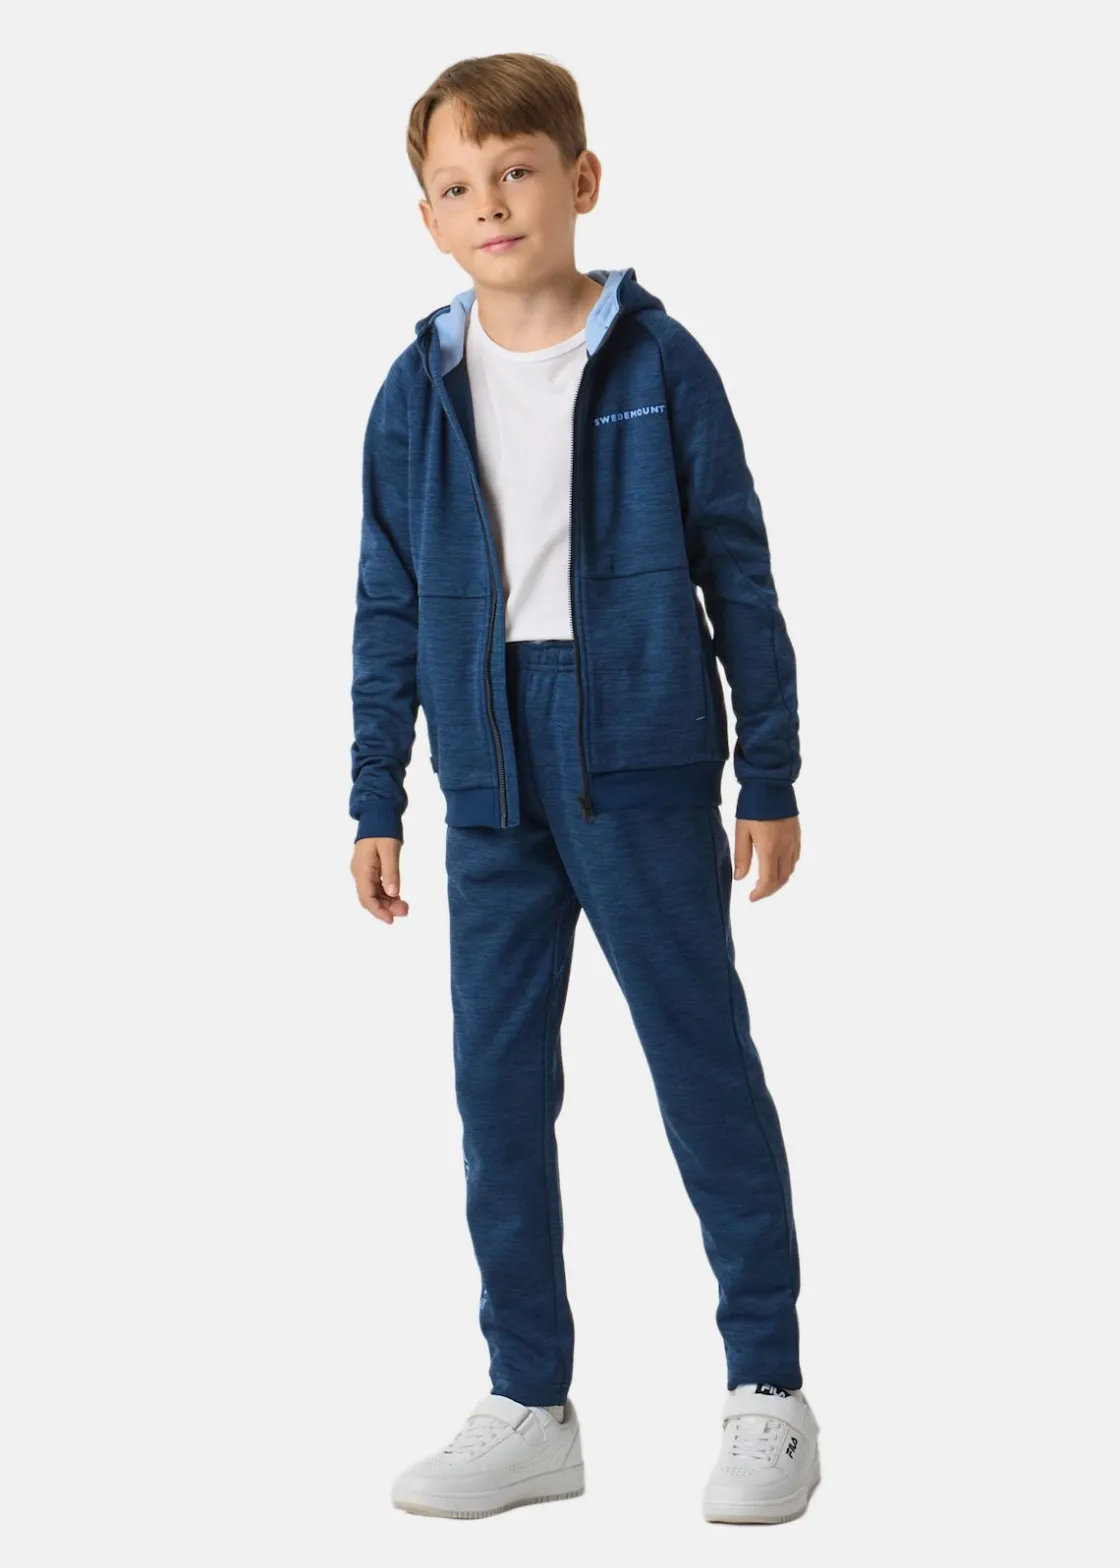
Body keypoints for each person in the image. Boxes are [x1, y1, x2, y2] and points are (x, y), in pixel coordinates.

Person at [349, 51, 820, 1525]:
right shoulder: (415, 389)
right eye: (458, 185)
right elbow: (386, 599)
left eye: (517, 171)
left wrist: (769, 767)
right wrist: (375, 794)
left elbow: (737, 569)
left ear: (581, 180)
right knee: (497, 1093)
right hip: (487, 771)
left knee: (700, 1063)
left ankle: (767, 1388)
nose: (492, 203)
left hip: (641, 756)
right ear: (429, 218)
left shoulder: (661, 366)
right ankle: (528, 1401)